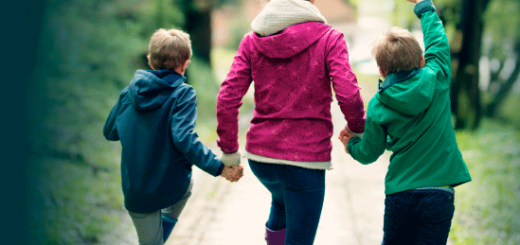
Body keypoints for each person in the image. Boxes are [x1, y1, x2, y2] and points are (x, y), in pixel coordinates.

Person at [216, 0, 366, 244]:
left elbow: (227, 97)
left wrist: (230, 153)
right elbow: (348, 94)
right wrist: (357, 128)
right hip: (306, 160)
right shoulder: (330, 38)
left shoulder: (251, 40)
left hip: (262, 159)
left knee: (282, 202)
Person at [339, 0, 472, 244]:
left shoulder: (379, 103)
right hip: (439, 192)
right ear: (422, 59)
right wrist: (425, 6)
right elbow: (438, 41)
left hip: (400, 192)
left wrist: (351, 145)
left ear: (381, 69)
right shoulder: (438, 77)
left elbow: (370, 152)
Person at [103, 28, 244, 245]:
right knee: (185, 189)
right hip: (171, 187)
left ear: (150, 60)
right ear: (185, 63)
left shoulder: (130, 91)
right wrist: (219, 167)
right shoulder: (183, 93)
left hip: (136, 190)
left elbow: (110, 131)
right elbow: (184, 138)